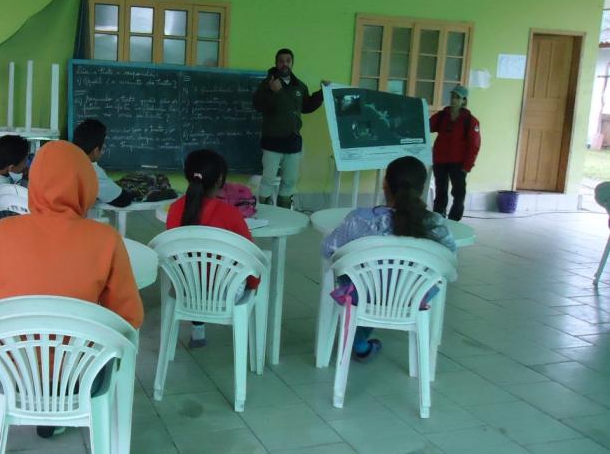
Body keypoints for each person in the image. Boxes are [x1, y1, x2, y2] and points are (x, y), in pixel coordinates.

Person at [0, 140, 144, 439]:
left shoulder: (1, 233)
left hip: (14, 372)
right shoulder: (106, 239)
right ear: (85, 183)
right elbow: (129, 319)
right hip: (81, 376)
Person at [322, 156, 456, 361]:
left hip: (364, 295)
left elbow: (329, 249)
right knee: (389, 281)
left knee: (365, 279)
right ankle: (361, 342)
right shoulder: (436, 225)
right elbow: (449, 262)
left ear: (385, 184)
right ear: (422, 188)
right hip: (410, 297)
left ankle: (358, 341)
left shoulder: (359, 219)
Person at [165, 149, 259, 348]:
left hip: (185, 289)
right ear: (220, 180)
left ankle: (198, 331)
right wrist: (253, 284)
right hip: (226, 292)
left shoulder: (174, 209)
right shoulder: (230, 214)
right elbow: (251, 257)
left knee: (196, 266)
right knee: (252, 267)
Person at [252, 48, 329, 208]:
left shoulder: (299, 86)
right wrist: (275, 93)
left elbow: (306, 106)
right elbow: (258, 105)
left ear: (292, 63)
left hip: (293, 141)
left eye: (288, 61)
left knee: (290, 180)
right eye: (281, 61)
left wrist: (322, 92)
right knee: (268, 179)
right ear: (276, 63)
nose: (284, 64)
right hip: (272, 141)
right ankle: (264, 210)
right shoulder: (267, 84)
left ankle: (284, 211)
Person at [429, 85, 481, 221]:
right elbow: (426, 126)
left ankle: (454, 220)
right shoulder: (442, 116)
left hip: (458, 162)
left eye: (457, 97)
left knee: (458, 193)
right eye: (452, 96)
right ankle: (439, 218)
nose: (453, 100)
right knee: (440, 191)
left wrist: (467, 166)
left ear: (464, 100)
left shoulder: (470, 121)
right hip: (440, 160)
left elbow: (474, 146)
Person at [72, 119, 132, 207]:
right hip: (67, 218)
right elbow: (122, 200)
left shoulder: (61, 160)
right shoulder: (91, 171)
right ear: (96, 151)